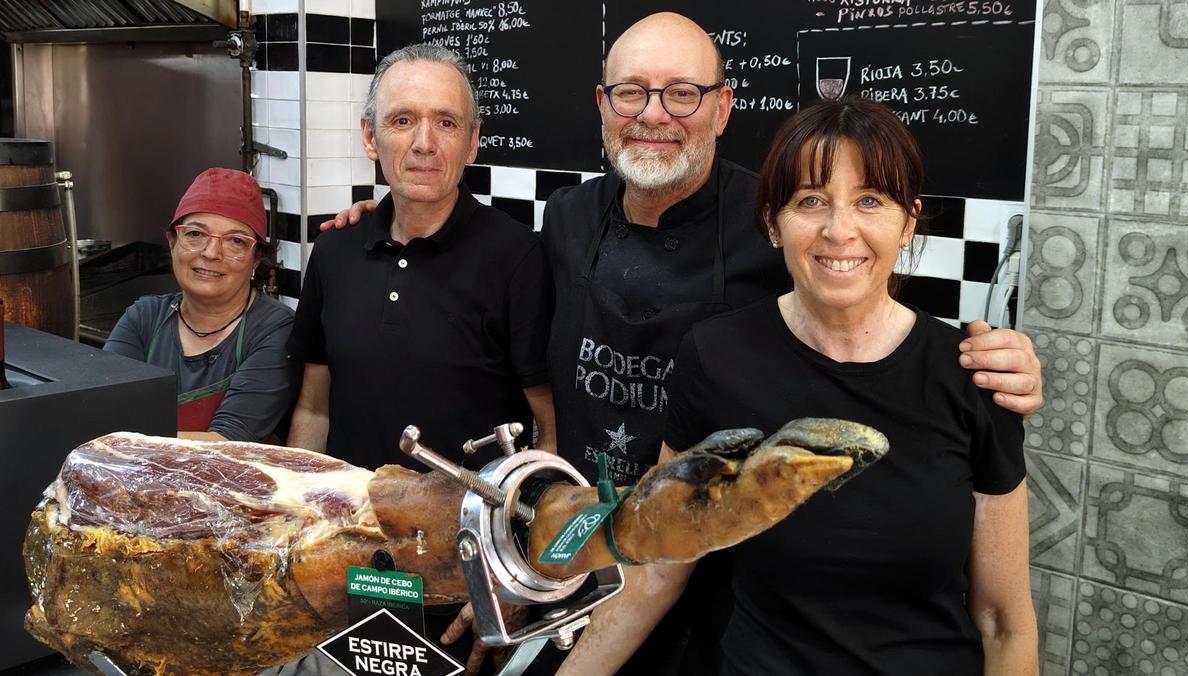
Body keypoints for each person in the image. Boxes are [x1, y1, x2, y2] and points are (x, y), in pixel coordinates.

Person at [322, 13, 1042, 673]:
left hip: (724, 586)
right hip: (587, 555)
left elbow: (860, 307)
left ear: (723, 109)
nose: (654, 117)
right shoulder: (568, 218)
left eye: (683, 95)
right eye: (632, 94)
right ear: (603, 108)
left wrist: (990, 359)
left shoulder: (775, 224)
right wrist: (385, 218)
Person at [560, 97, 1038, 675]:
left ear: (908, 220)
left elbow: (1003, 622)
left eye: (870, 201)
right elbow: (661, 562)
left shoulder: (975, 376)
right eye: (811, 201)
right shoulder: (717, 356)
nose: (840, 231)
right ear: (772, 220)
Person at [285, 43, 555, 673]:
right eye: (403, 121)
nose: (425, 143)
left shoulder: (518, 259)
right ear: (370, 137)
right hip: (348, 561)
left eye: (447, 122)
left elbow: (549, 429)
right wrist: (305, 536)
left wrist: (518, 571)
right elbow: (313, 408)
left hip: (462, 575)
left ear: (474, 141)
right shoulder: (334, 254)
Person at [105, 167, 295, 443]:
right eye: (195, 234)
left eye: (235, 241)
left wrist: (129, 439)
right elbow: (103, 408)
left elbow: (227, 442)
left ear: (256, 260)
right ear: (172, 242)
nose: (210, 253)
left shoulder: (274, 329)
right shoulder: (144, 318)